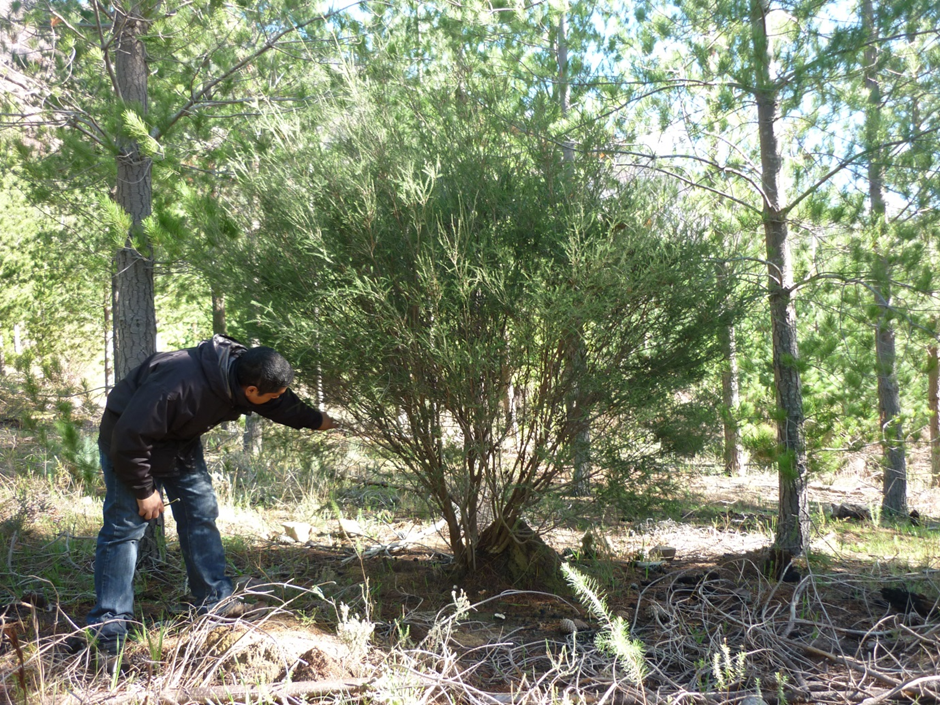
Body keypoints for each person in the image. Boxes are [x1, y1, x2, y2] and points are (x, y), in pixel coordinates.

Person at [86, 334, 334, 656]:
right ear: (251, 391)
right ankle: (109, 625)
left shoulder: (246, 371)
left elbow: (280, 402)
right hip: (129, 447)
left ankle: (214, 602)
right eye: (273, 393)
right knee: (124, 531)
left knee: (201, 515)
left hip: (179, 445)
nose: (279, 397)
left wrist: (316, 421)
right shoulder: (178, 385)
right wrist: (144, 490)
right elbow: (129, 438)